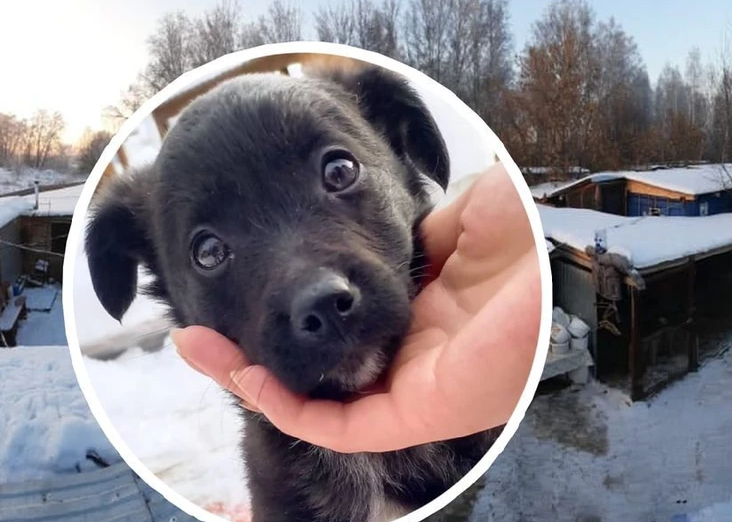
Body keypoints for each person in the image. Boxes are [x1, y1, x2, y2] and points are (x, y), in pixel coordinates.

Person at [171, 163, 541, 454]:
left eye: (339, 172)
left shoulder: (491, 406)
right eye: (210, 251)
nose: (316, 294)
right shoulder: (286, 493)